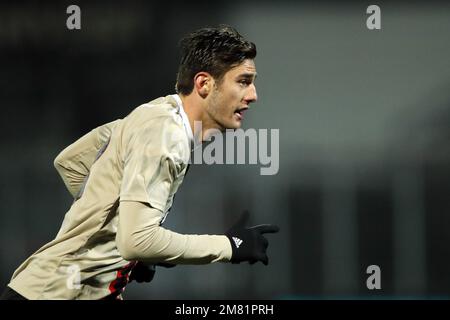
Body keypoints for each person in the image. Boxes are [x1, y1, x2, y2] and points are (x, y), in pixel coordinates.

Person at [0, 25, 279, 300]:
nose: (253, 95)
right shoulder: (165, 134)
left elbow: (70, 162)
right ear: (204, 83)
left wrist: (121, 250)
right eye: (243, 81)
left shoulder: (154, 115)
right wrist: (229, 246)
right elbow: (137, 241)